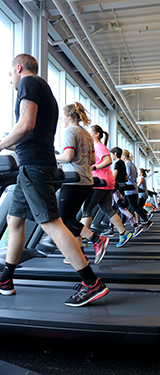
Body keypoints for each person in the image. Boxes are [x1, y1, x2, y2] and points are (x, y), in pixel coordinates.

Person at [0, 53, 109, 307]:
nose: (9, 80)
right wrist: (14, 147)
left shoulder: (28, 83)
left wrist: (1, 144)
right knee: (14, 220)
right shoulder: (44, 89)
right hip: (33, 163)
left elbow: (26, 124)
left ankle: (91, 282)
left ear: (18, 68)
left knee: (52, 222)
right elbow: (33, 133)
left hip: (35, 166)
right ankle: (6, 279)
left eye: (9, 74)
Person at [55, 102, 109, 265]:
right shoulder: (86, 134)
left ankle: (97, 239)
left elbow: (68, 156)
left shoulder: (70, 131)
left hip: (73, 182)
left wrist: (52, 156)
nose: (62, 120)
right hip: (87, 182)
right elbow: (92, 160)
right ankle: (80, 253)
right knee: (72, 218)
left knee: (64, 220)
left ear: (70, 117)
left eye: (63, 117)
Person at [82, 125, 132, 247]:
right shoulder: (97, 147)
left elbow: (108, 161)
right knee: (107, 210)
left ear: (97, 134)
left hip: (100, 182)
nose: (88, 135)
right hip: (106, 182)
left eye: (90, 133)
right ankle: (123, 233)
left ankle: (84, 239)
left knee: (86, 209)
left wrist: (93, 167)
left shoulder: (99, 146)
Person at [102, 146, 143, 237]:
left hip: (116, 189)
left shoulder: (117, 163)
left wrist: (107, 182)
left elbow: (113, 177)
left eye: (111, 154)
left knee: (122, 209)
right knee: (111, 210)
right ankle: (110, 229)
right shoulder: (123, 163)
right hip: (121, 188)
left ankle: (136, 226)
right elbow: (125, 177)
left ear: (115, 154)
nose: (111, 156)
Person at [121, 150, 153, 231]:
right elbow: (134, 176)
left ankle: (147, 220)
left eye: (121, 156)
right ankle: (122, 223)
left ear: (124, 156)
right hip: (132, 189)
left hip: (129, 190)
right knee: (123, 206)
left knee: (134, 207)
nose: (121, 157)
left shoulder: (127, 164)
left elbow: (127, 176)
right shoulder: (132, 164)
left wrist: (120, 179)